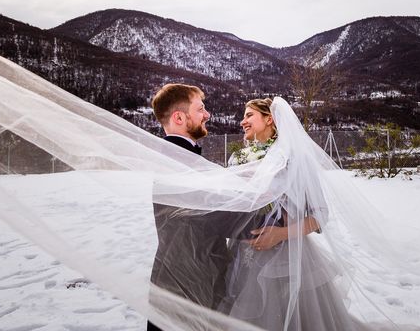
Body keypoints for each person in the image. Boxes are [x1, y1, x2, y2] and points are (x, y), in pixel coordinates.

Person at [218, 98, 392, 331]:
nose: (242, 122)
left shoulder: (294, 160)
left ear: (269, 119)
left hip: (288, 259)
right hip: (242, 255)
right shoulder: (237, 160)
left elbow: (320, 215)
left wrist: (280, 234)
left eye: (249, 115)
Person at [146, 84, 230, 331]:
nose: (207, 115)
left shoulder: (180, 158)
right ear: (179, 117)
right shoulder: (176, 162)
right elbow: (214, 216)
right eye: (201, 108)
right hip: (184, 281)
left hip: (188, 272)